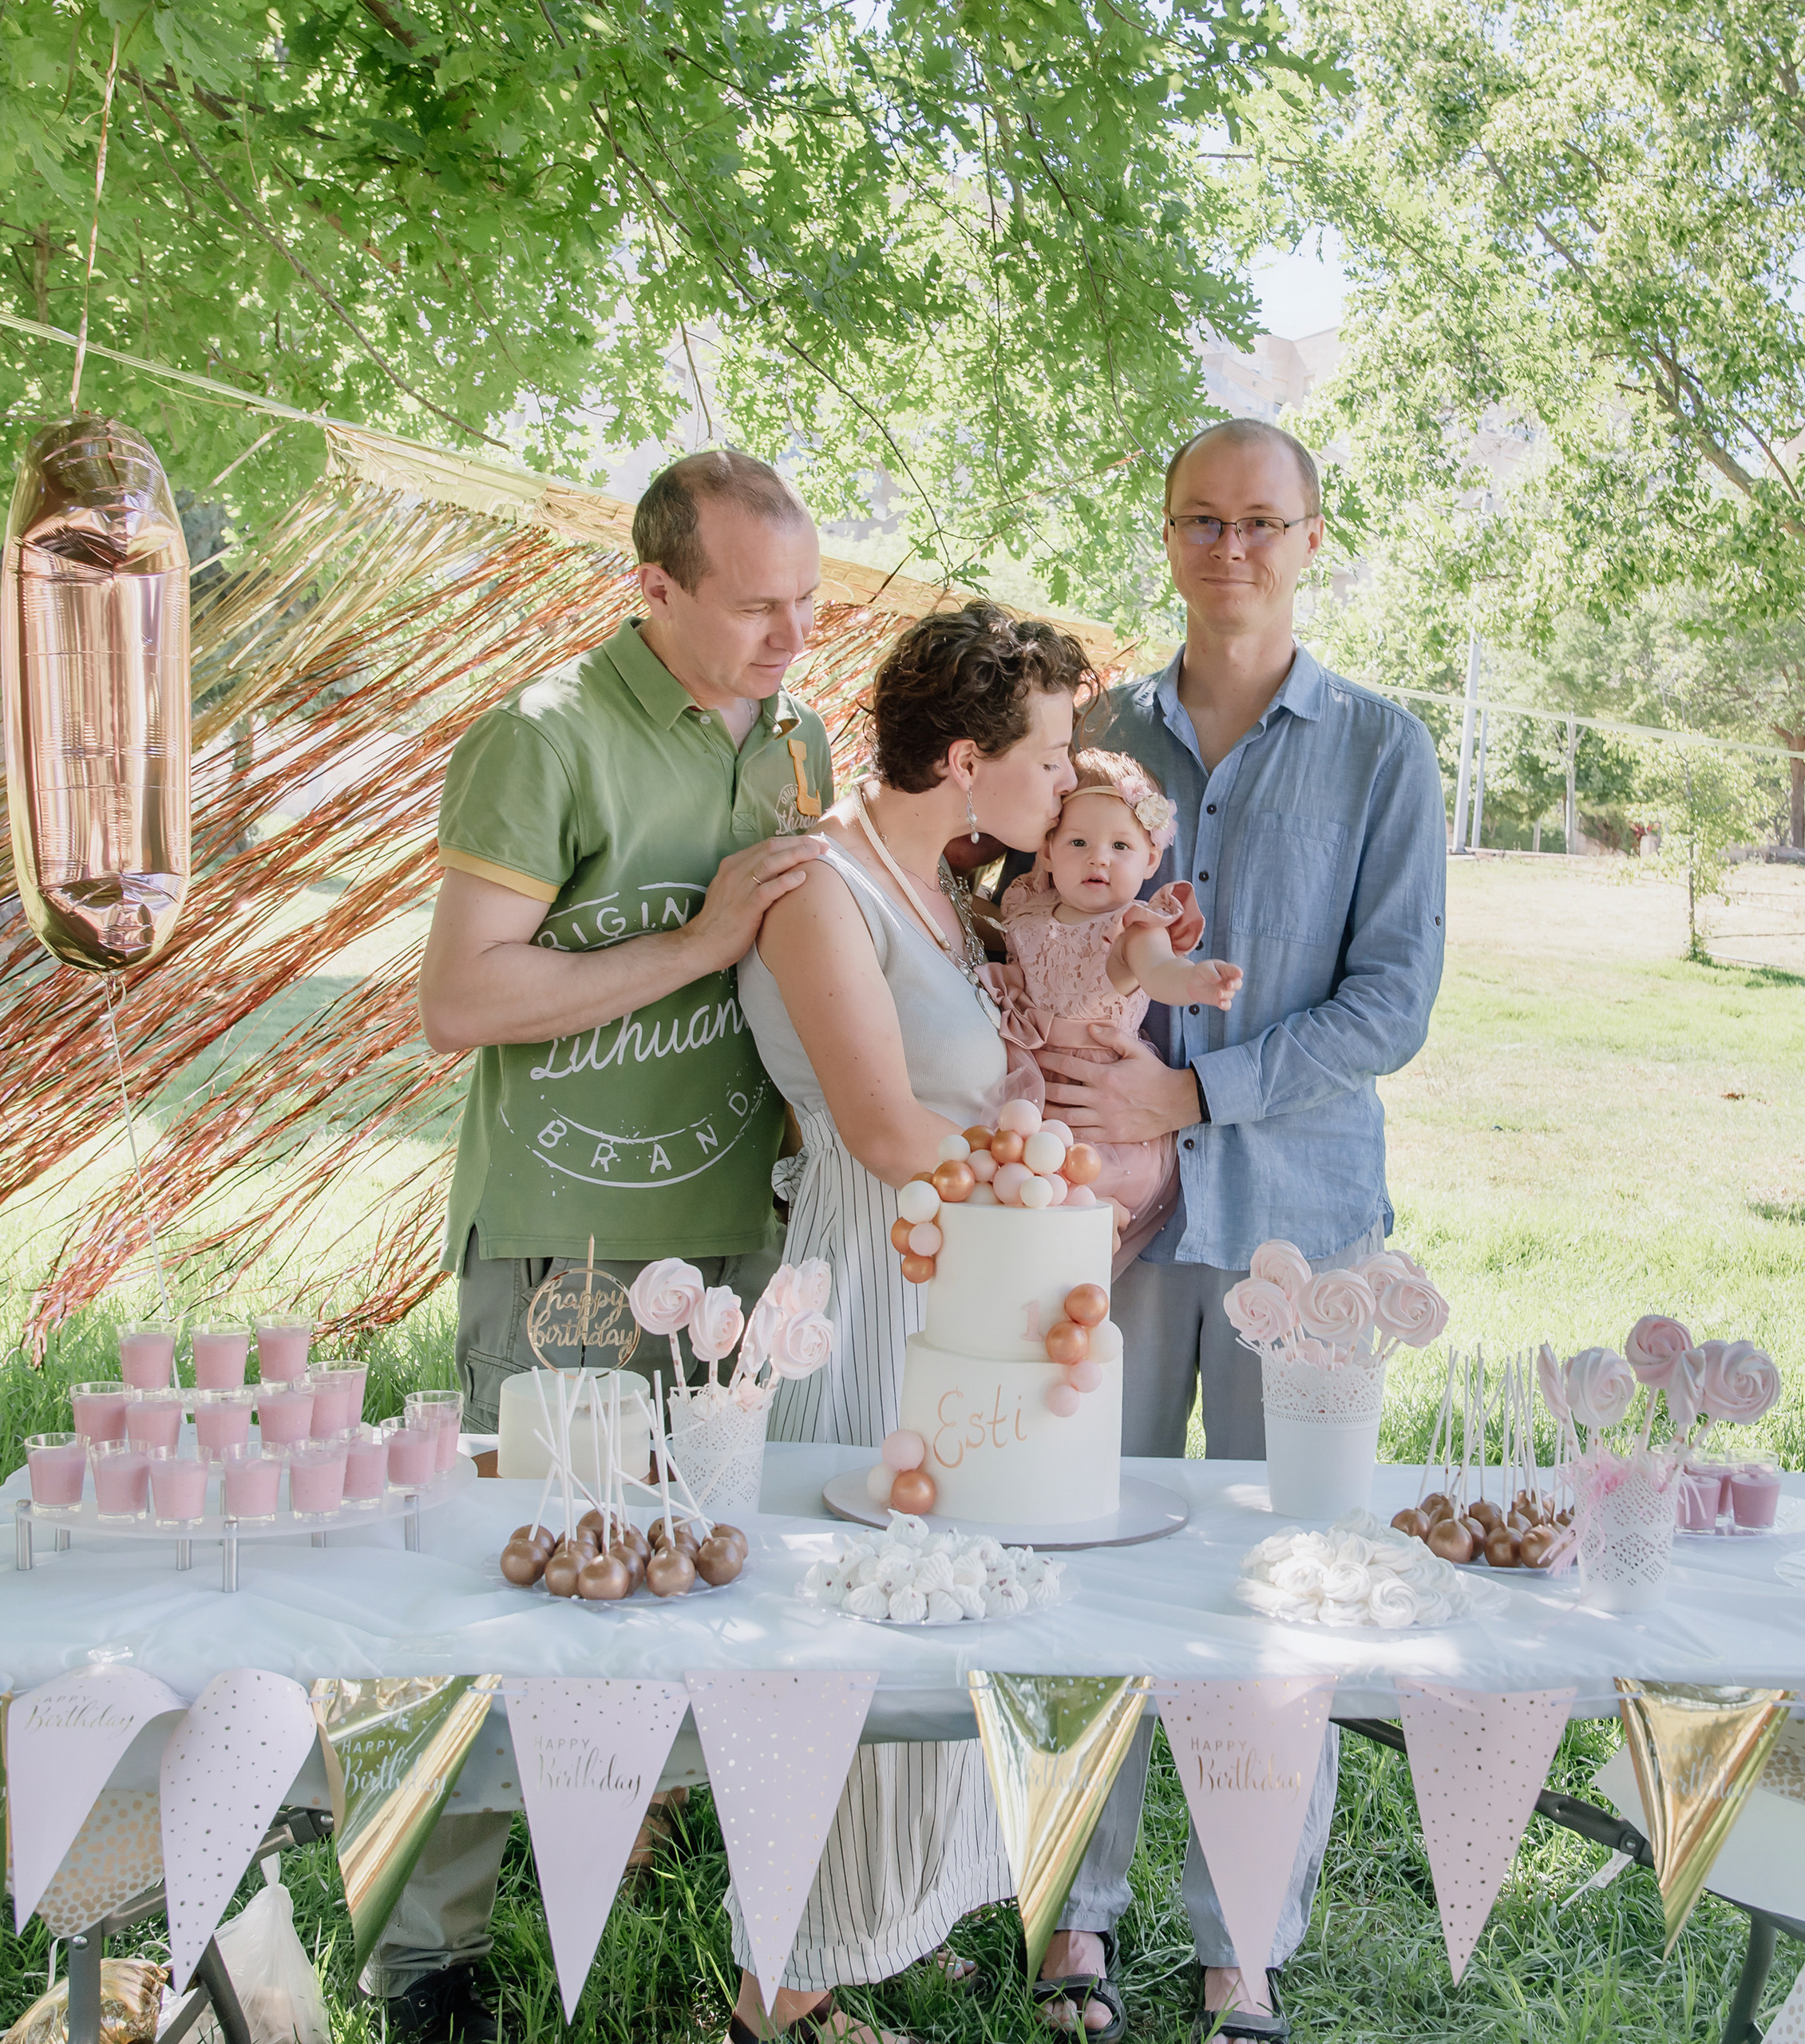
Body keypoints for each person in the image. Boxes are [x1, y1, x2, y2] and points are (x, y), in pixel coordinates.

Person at [386, 450, 832, 2042]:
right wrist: (700, 939)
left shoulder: (794, 740)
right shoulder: (543, 735)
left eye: (807, 602)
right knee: (505, 1583)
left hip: (738, 1245)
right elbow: (461, 999)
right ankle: (426, 1950)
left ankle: (694, 1864)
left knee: (717, 1571)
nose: (793, 637)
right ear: (653, 589)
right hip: (558, 1246)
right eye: (756, 606)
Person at [1033, 419, 1447, 2043]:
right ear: (1165, 533)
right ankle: (1073, 1908)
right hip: (1102, 1223)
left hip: (1304, 1220)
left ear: (1312, 539)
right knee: (1089, 1538)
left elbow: (1390, 1002)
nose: (1231, 549)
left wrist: (1192, 1097)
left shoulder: (1381, 748)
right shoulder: (1088, 736)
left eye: (1262, 521)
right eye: (1201, 519)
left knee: (1290, 1575)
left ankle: (1242, 1942)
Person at [730, 599, 1087, 2043]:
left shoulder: (945, 884)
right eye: (1050, 756)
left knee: (952, 1600)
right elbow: (883, 1129)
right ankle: (782, 1989)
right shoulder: (824, 890)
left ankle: (890, 1918)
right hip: (874, 1274)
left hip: (962, 1271)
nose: (1066, 783)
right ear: (963, 758)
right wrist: (1049, 1190)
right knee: (862, 1621)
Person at [992, 747, 1242, 1270]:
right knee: (1015, 1190)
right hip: (1032, 1089)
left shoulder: (1131, 928)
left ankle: (1103, 1220)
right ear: (1048, 850)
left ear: (1150, 859)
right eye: (1078, 842)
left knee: (1067, 1191)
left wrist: (1194, 981)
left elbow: (1159, 970)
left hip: (1102, 1114)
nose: (1099, 858)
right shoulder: (1027, 907)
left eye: (1120, 845)